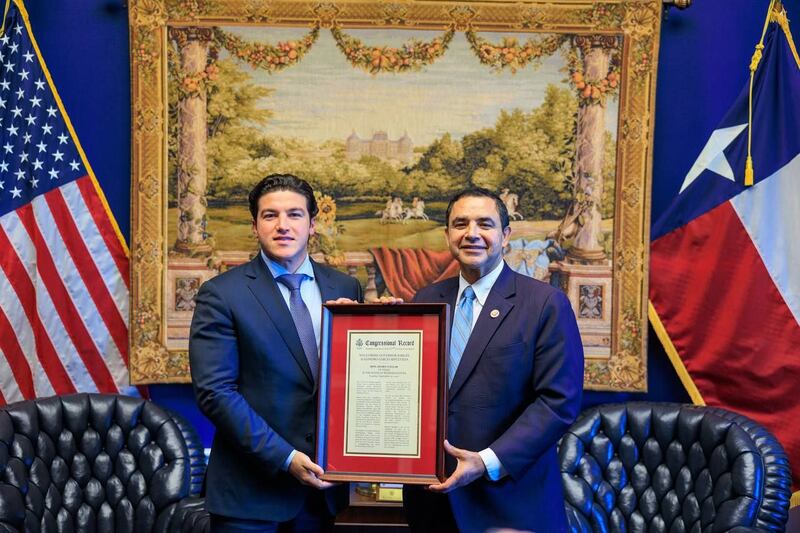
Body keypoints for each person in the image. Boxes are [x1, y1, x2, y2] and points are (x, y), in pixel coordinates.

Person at [403, 188, 584, 533]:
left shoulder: (544, 304)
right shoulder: (425, 301)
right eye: (460, 224)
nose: (472, 234)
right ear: (448, 236)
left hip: (509, 501)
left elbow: (558, 403)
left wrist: (486, 462)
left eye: (484, 224)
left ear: (505, 236)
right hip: (431, 501)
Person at [189, 174, 363, 532]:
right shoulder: (221, 294)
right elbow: (216, 394)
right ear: (255, 226)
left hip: (327, 495)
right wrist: (286, 458)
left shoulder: (345, 287)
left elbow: (356, 379)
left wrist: (386, 325)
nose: (283, 225)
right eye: (270, 216)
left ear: (313, 224)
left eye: (295, 215)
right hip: (250, 497)